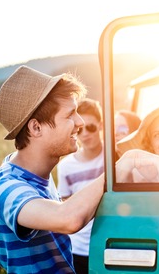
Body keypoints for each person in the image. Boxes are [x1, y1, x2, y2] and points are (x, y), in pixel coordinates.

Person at [0, 66, 104, 273]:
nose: (80, 122)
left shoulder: (39, 173)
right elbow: (68, 219)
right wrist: (117, 169)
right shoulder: (6, 187)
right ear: (36, 128)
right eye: (70, 115)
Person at [57, 98, 104, 273]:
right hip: (78, 249)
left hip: (108, 242)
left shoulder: (115, 156)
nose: (85, 134)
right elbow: (67, 208)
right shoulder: (65, 167)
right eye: (80, 129)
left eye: (91, 127)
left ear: (100, 125)